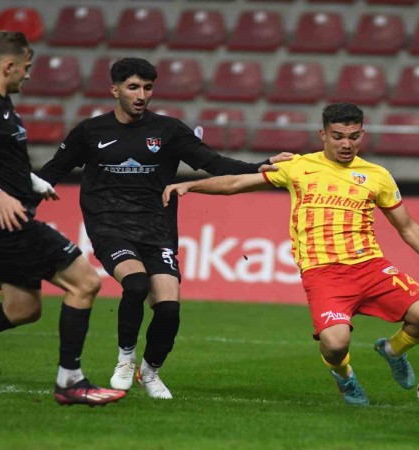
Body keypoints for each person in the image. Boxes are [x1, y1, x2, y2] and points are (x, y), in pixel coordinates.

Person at [163, 103, 419, 405]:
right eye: (338, 136)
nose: (346, 144)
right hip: (323, 273)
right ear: (323, 135)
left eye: (353, 136)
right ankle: (344, 375)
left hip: (370, 265)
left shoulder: (377, 175)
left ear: (362, 134)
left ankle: (393, 350)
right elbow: (237, 182)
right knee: (336, 344)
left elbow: (407, 226)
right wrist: (192, 185)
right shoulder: (298, 166)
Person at [36, 57, 291, 400]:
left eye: (147, 87)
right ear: (115, 90)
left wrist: (260, 166)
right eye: (133, 87)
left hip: (157, 228)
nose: (141, 95)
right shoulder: (90, 131)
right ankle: (125, 358)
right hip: (109, 225)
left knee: (169, 310)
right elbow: (53, 170)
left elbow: (213, 163)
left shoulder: (168, 131)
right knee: (136, 283)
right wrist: (19, 203)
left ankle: (150, 372)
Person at [0, 31, 125, 406]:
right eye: (26, 67)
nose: (28, 74)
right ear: (8, 66)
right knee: (85, 282)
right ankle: (70, 381)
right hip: (2, 222)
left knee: (21, 309)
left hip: (1, 220)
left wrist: (31, 181)